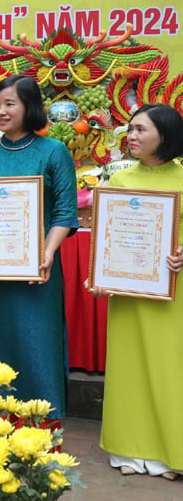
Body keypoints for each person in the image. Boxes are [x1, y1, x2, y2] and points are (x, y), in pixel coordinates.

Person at [0, 74, 78, 419]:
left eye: (10, 103)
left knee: (36, 341)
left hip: (35, 268)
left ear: (30, 106)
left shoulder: (54, 151)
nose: (0, 110)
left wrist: (47, 251)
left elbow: (65, 212)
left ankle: (40, 417)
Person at [99, 103, 183, 479]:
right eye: (129, 130)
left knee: (170, 368)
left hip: (173, 289)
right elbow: (107, 233)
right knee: (128, 367)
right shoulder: (118, 180)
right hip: (130, 290)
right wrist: (101, 273)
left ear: (164, 135)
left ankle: (170, 452)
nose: (130, 136)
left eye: (139, 130)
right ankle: (129, 449)